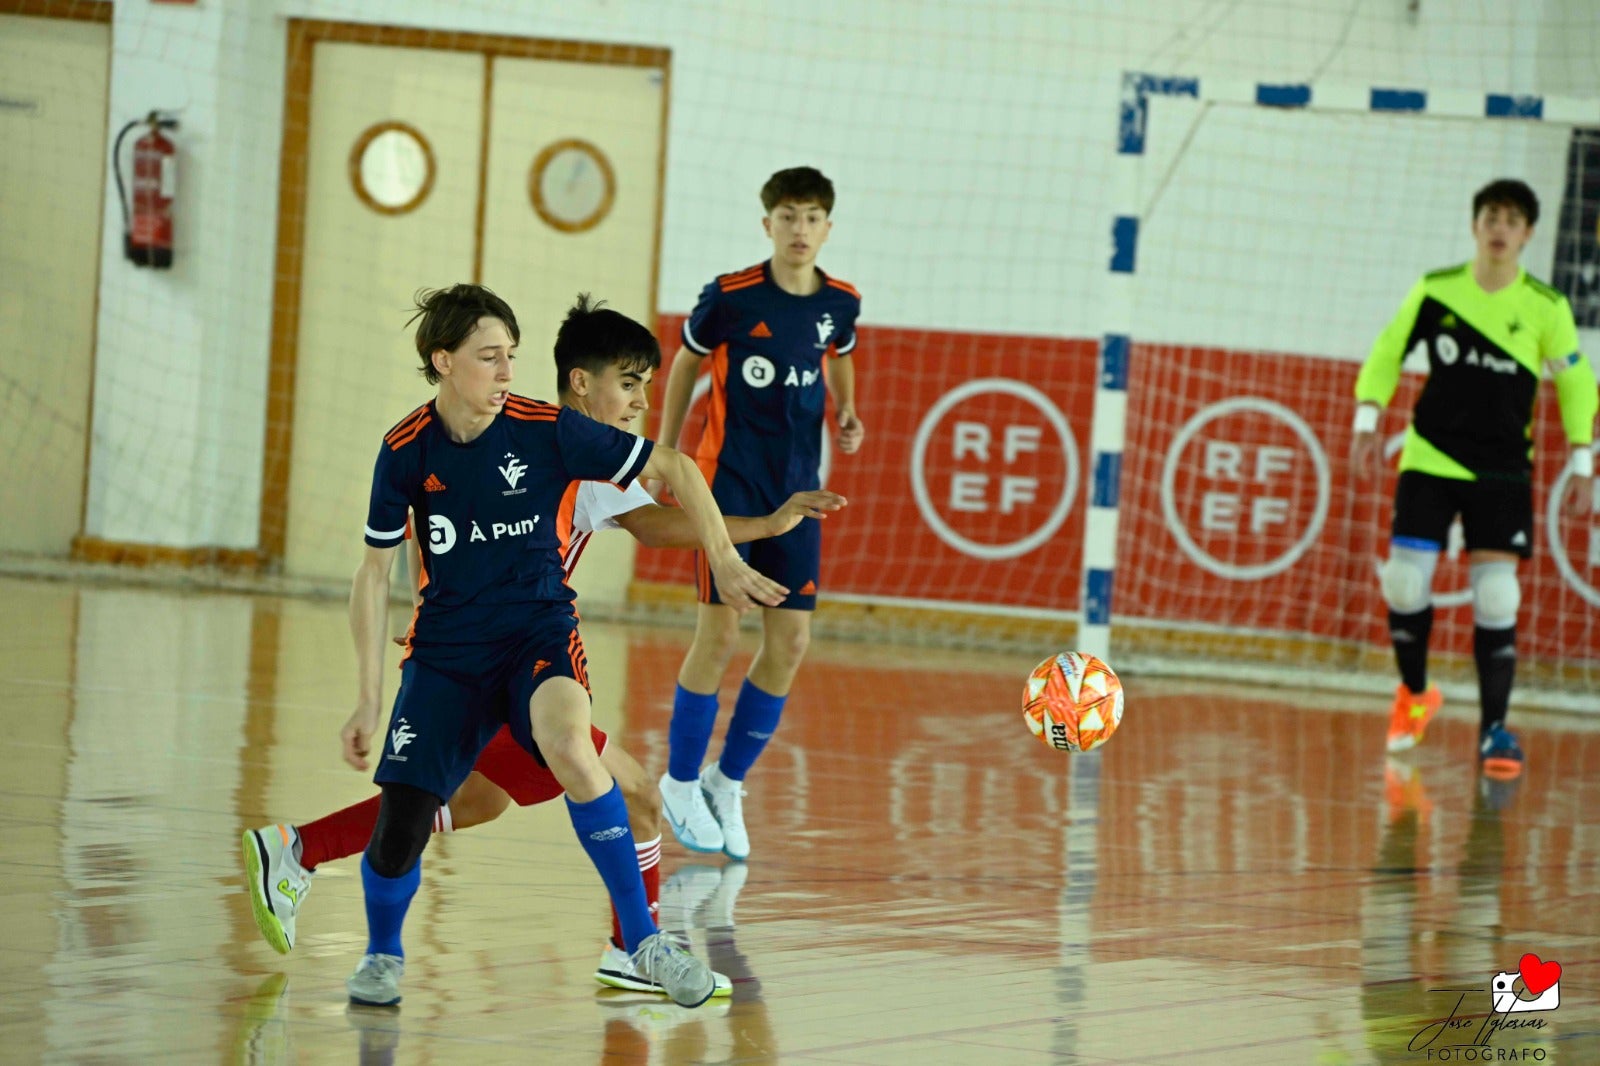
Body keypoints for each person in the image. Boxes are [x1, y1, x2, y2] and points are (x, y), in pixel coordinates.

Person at [242, 296, 843, 1000]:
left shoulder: (565, 442)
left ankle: (301, 850)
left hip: (521, 647)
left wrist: (762, 524)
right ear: (582, 383)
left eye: (647, 386)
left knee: (475, 802)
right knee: (634, 793)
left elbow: (655, 515)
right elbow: (656, 522)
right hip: (467, 655)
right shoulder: (553, 445)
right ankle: (629, 943)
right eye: (629, 384)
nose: (640, 402)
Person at [1351, 178, 1596, 779]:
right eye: (1491, 215)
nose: (1500, 227)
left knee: (1496, 595)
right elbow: (1388, 350)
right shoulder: (1437, 290)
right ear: (1475, 224)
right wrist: (1366, 416)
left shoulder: (1547, 306)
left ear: (1528, 234)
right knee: (1405, 585)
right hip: (1430, 457)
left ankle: (1495, 732)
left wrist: (1585, 462)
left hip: (1502, 469)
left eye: (1512, 219)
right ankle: (1414, 694)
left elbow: (1574, 384)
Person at [652, 166, 864, 860]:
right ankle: (680, 781)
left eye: (812, 218)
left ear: (827, 228)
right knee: (719, 636)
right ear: (767, 223)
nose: (799, 229)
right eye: (787, 216)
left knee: (792, 643)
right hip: (731, 483)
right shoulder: (732, 296)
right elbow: (684, 363)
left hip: (798, 491)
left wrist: (848, 410)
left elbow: (840, 355)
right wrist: (663, 446)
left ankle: (724, 780)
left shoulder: (842, 301)